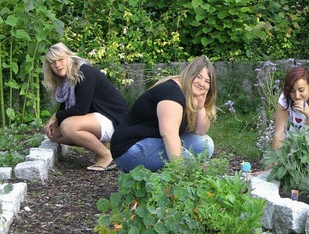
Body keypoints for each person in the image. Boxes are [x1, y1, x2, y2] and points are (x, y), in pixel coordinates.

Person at [110, 56, 216, 172]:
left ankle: (167, 171)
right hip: (129, 150)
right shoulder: (171, 92)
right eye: (198, 77)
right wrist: (180, 170)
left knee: (205, 144)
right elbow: (169, 134)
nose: (202, 83)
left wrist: (200, 108)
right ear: (189, 74)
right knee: (185, 157)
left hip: (153, 142)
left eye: (207, 81)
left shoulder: (191, 96)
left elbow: (200, 131)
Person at [42, 43, 130, 171]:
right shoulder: (65, 81)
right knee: (53, 133)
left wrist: (56, 116)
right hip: (97, 119)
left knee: (68, 126)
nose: (57, 65)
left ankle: (106, 155)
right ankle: (101, 146)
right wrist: (55, 122)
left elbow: (80, 109)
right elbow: (65, 108)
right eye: (52, 62)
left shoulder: (84, 72)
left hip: (114, 119)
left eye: (61, 59)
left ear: (69, 58)